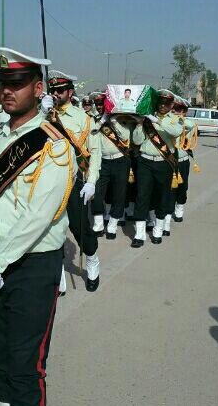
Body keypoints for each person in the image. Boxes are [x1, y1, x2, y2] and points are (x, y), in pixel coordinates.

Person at [0, 47, 77, 406]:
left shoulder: (53, 143)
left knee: (26, 361)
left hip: (30, 264)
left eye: (17, 84)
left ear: (38, 89)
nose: (7, 92)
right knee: (0, 355)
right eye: (3, 84)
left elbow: (39, 216)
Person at [47, 70, 102, 292]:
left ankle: (92, 260)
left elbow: (95, 153)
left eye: (60, 90)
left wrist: (91, 181)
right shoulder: (43, 116)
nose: (56, 94)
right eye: (53, 90)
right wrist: (41, 116)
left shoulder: (84, 119)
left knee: (80, 229)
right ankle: (57, 274)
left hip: (73, 181)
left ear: (70, 92)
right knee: (50, 229)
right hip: (49, 183)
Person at [130, 89, 183, 246]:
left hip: (164, 162)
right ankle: (139, 235)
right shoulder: (147, 120)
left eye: (166, 103)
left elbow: (176, 132)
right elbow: (137, 140)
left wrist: (158, 121)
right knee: (142, 196)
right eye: (160, 102)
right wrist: (140, 124)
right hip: (145, 162)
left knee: (162, 196)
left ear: (171, 104)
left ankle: (158, 230)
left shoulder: (175, 119)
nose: (162, 105)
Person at [91, 91, 131, 240]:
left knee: (119, 194)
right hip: (102, 162)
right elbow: (91, 134)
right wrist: (101, 121)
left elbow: (125, 137)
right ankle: (99, 224)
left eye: (102, 104)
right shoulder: (94, 120)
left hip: (120, 160)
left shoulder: (119, 119)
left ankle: (113, 225)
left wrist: (112, 121)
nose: (100, 107)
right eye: (98, 104)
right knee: (96, 193)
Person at [172, 97, 197, 222]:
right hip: (169, 160)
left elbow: (190, 126)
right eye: (174, 109)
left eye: (179, 110)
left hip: (182, 160)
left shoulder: (187, 123)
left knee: (182, 187)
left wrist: (180, 118)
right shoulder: (169, 121)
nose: (175, 112)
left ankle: (179, 208)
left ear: (185, 112)